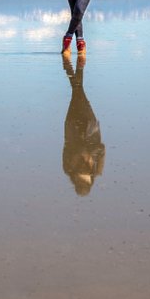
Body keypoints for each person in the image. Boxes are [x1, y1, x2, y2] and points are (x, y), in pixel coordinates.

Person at [62, 54, 105, 196]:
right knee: (78, 92)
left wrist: (82, 152)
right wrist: (90, 152)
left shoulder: (68, 168)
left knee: (77, 92)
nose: (83, 170)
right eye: (85, 174)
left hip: (73, 127)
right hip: (90, 128)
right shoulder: (97, 169)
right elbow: (102, 148)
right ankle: (75, 65)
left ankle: (77, 65)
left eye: (81, 174)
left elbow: (68, 147)